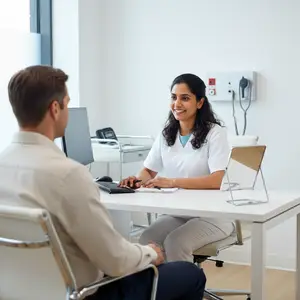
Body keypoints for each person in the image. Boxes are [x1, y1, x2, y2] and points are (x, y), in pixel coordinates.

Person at [0, 66, 206, 300]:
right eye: (67, 103)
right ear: (55, 109)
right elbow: (116, 260)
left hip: (20, 291)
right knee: (190, 274)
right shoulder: (69, 175)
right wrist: (150, 253)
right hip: (86, 294)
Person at [120, 73, 235, 262]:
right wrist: (137, 180)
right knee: (147, 240)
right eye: (174, 97)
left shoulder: (215, 133)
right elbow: (149, 170)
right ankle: (156, 290)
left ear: (199, 103)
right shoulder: (167, 134)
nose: (177, 104)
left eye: (185, 98)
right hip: (178, 213)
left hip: (213, 216)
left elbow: (217, 180)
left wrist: (171, 182)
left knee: (176, 242)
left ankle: (183, 290)